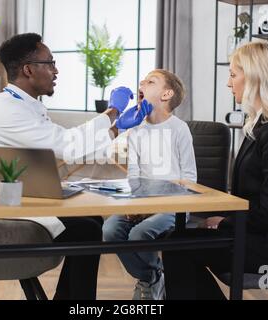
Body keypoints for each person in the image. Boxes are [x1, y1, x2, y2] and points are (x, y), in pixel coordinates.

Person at [0, 33, 152, 299]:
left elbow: (63, 146)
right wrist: (112, 112)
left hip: (28, 199)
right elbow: (67, 145)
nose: (55, 70)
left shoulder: (24, 105)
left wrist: (115, 128)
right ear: (28, 69)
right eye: (49, 62)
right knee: (88, 229)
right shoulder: (9, 111)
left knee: (91, 220)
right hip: (13, 217)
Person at [162, 42, 268, 299]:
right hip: (260, 235)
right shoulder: (261, 125)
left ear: (255, 77)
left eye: (233, 74)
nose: (228, 83)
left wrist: (225, 222)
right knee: (175, 239)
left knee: (177, 246)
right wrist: (224, 219)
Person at [103, 69, 197, 300]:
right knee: (110, 231)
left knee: (139, 234)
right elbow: (134, 175)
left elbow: (189, 177)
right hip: (141, 202)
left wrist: (154, 206)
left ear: (166, 94)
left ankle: (149, 279)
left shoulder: (179, 129)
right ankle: (153, 277)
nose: (141, 83)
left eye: (150, 81)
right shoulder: (135, 129)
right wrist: (135, 205)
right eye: (143, 80)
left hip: (175, 206)